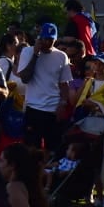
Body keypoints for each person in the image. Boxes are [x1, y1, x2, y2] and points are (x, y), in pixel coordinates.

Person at [15, 23, 72, 157]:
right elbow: (25, 78)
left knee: (53, 150)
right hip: (34, 108)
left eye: (50, 39)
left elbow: (64, 83)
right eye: (45, 39)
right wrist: (35, 55)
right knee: (31, 150)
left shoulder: (61, 56)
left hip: (53, 109)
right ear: (39, 38)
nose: (47, 42)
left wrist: (63, 103)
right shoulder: (27, 52)